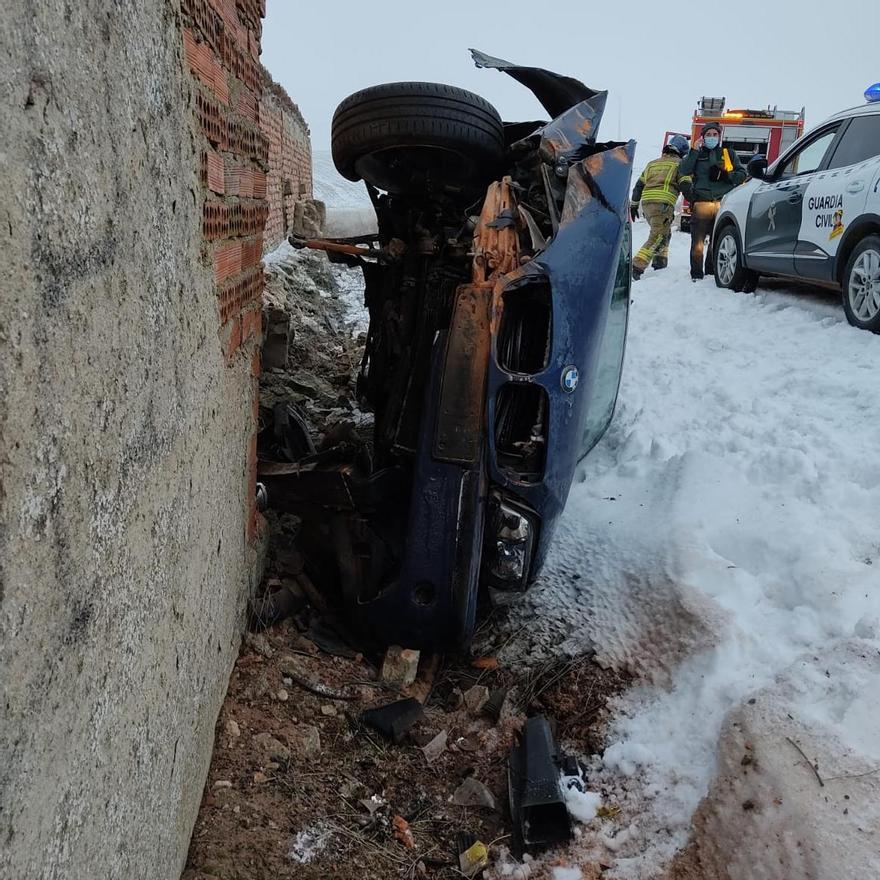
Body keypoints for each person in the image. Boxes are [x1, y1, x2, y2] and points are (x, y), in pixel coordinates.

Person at [678, 123, 746, 280]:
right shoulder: (697, 154)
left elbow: (742, 174)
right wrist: (694, 150)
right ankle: (696, 274)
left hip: (723, 203)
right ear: (703, 137)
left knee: (716, 240)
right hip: (702, 203)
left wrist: (726, 176)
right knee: (698, 243)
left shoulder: (728, 154)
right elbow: (684, 170)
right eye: (709, 134)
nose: (712, 137)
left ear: (719, 136)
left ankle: (711, 271)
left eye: (715, 134)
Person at [630, 135, 690, 280]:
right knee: (658, 236)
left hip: (647, 206)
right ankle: (635, 268)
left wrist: (634, 205)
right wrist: (694, 199)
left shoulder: (652, 164)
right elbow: (685, 185)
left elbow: (639, 186)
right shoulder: (680, 164)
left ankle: (660, 262)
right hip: (662, 206)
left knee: (665, 233)